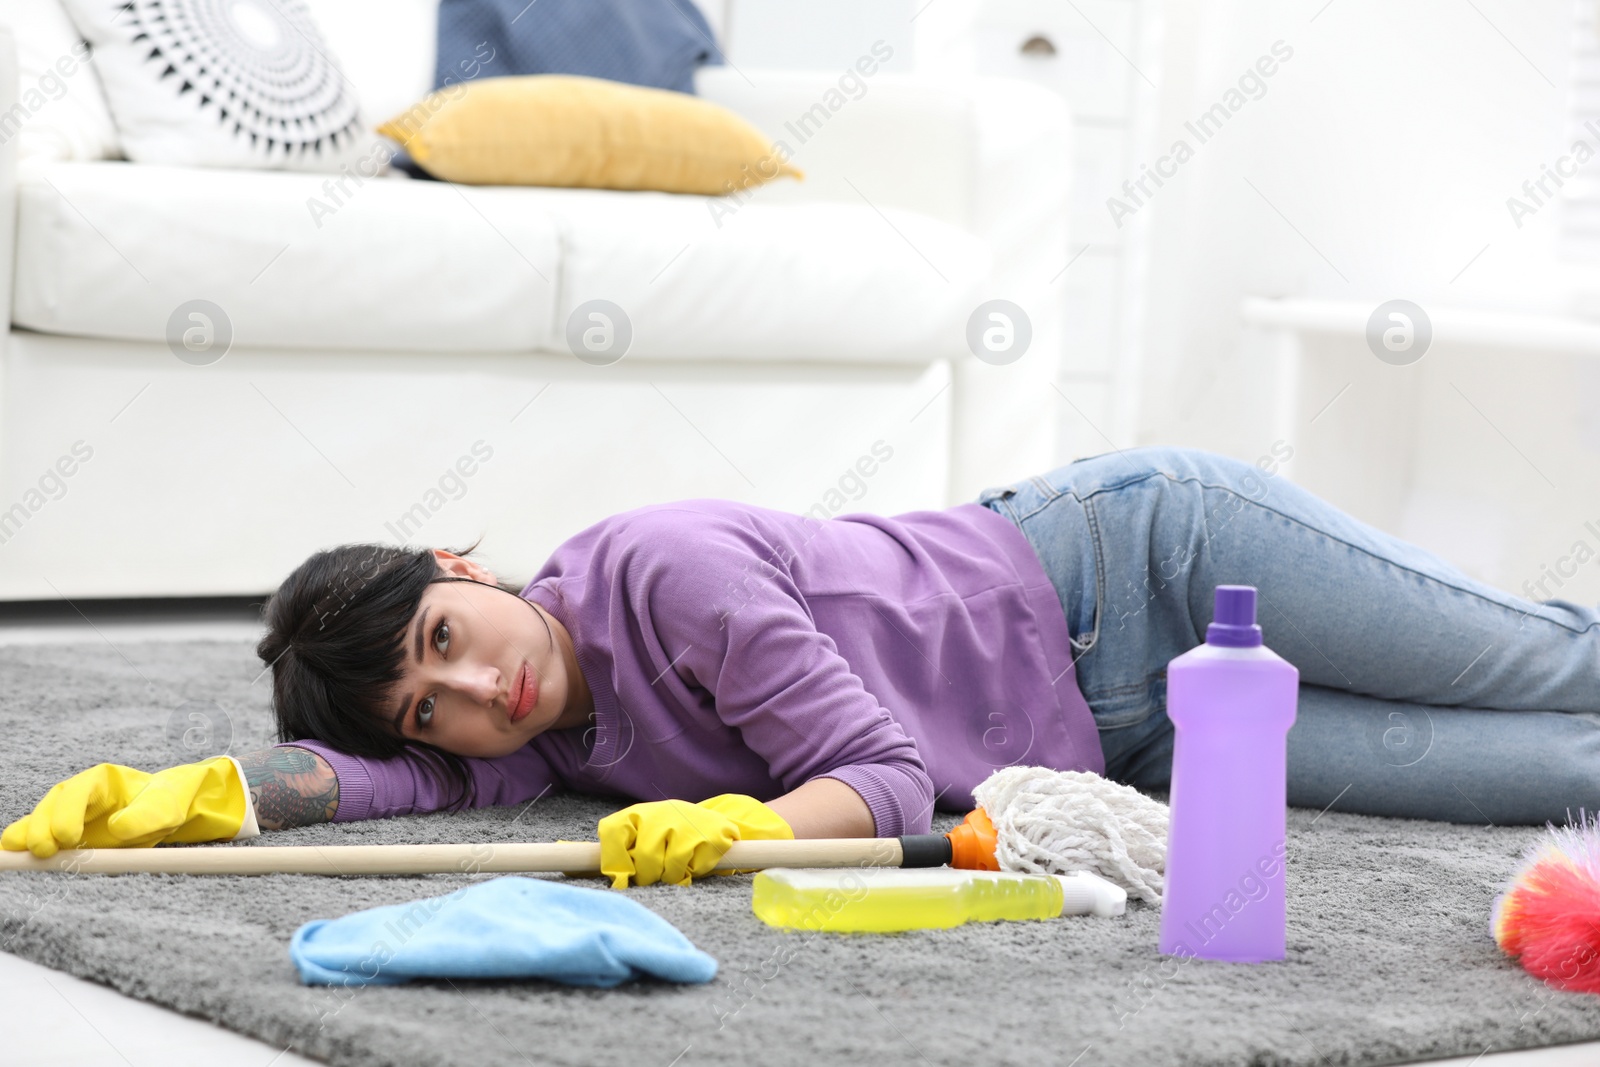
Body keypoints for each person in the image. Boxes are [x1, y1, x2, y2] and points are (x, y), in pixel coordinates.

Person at [7, 447, 1600, 886]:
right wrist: (215, 795)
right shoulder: (531, 743)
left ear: (466, 569)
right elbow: (387, 783)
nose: (482, 699)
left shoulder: (661, 570)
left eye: (447, 643)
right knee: (1562, 776)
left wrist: (743, 829)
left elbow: (891, 782)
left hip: (1149, 562)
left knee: (1538, 675)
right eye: (436, 707)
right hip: (1144, 743)